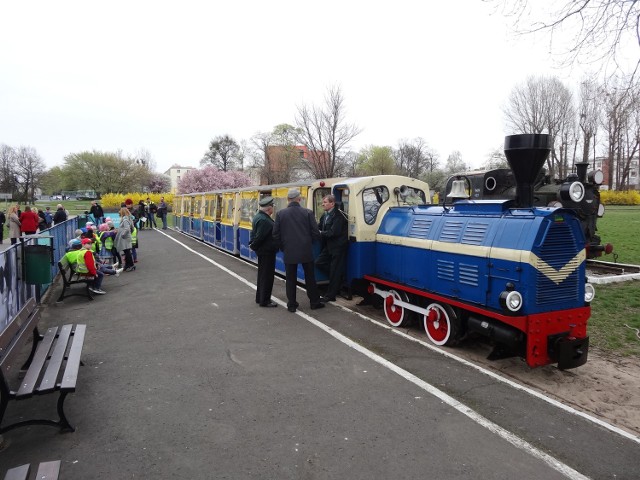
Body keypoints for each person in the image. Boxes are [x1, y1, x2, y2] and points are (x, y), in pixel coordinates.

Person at [272, 188, 324, 313]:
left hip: (289, 251)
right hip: (306, 250)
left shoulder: (280, 214)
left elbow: (275, 234)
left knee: (290, 278)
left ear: (288, 199)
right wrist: (310, 243)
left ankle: (292, 305)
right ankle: (314, 302)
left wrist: (283, 247)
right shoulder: (308, 213)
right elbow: (316, 233)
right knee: (310, 277)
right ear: (299, 199)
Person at [315, 194, 349, 302]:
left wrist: (320, 233)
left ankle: (331, 295)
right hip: (329, 246)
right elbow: (319, 226)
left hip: (338, 247)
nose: (322, 204)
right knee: (318, 262)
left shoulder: (338, 216)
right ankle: (339, 279)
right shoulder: (325, 215)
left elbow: (333, 232)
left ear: (332, 203)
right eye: (323, 202)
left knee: (335, 271)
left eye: (325, 202)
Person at [250, 196, 279, 308]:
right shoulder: (264, 220)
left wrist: (253, 244)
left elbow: (254, 234)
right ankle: (265, 300)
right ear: (269, 208)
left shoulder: (258, 216)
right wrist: (253, 246)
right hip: (267, 251)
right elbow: (260, 237)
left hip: (263, 251)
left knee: (262, 275)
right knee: (267, 276)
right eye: (272, 207)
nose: (273, 209)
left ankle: (260, 297)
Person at [116, 207, 135, 271]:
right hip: (127, 237)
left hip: (125, 238)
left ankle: (131, 265)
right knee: (126, 252)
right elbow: (132, 228)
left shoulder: (125, 219)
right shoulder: (129, 218)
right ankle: (127, 265)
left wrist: (122, 234)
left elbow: (127, 228)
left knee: (127, 252)